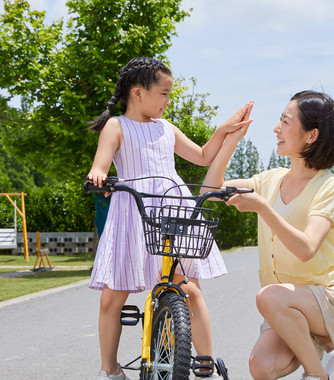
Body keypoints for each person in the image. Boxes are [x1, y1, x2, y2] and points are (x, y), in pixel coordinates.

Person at [87, 56, 253, 380]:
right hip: (133, 211)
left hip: (174, 207)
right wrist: (97, 176)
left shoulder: (166, 128)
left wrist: (224, 130)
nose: (167, 101)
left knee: (189, 289)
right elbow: (100, 165)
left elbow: (204, 155)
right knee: (112, 297)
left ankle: (204, 362)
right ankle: (110, 369)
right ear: (138, 93)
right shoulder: (117, 126)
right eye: (163, 94)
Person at [202, 90, 334, 380]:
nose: (276, 128)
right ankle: (318, 348)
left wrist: (264, 209)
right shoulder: (269, 180)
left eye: (285, 121)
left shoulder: (328, 186)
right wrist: (231, 140)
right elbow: (209, 192)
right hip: (286, 304)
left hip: (329, 298)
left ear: (311, 135)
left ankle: (317, 374)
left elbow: (307, 248)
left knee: (269, 296)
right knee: (261, 367)